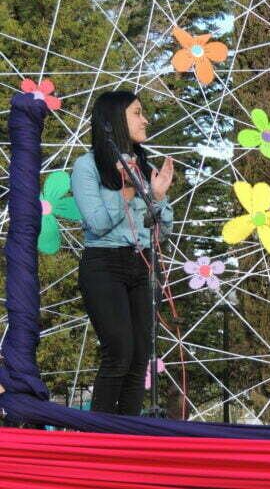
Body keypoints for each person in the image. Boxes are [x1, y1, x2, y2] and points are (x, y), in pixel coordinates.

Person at [72, 91, 174, 415]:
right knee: (119, 350)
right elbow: (98, 223)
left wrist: (156, 197)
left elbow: (163, 228)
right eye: (137, 113)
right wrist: (127, 192)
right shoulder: (86, 167)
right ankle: (99, 437)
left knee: (140, 355)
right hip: (104, 264)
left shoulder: (145, 165)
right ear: (115, 119)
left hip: (140, 263)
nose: (145, 120)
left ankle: (128, 436)